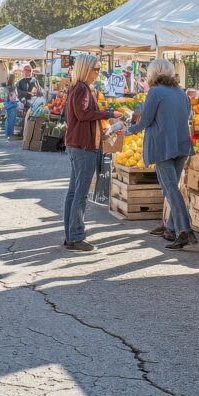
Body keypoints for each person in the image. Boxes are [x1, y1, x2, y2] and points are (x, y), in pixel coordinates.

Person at [125, 60, 198, 250]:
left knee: (171, 188)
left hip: (163, 146)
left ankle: (185, 230)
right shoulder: (182, 94)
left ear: (153, 73)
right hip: (182, 145)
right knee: (171, 188)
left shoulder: (155, 92)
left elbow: (145, 121)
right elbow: (187, 116)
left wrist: (127, 131)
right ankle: (172, 227)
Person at [62, 54, 122, 252]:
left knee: (74, 191)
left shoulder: (76, 87)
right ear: (86, 69)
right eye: (96, 69)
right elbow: (83, 114)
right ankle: (77, 236)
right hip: (83, 146)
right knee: (80, 193)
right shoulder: (81, 88)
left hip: (76, 144)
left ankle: (70, 235)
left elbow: (82, 113)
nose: (98, 73)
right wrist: (109, 114)